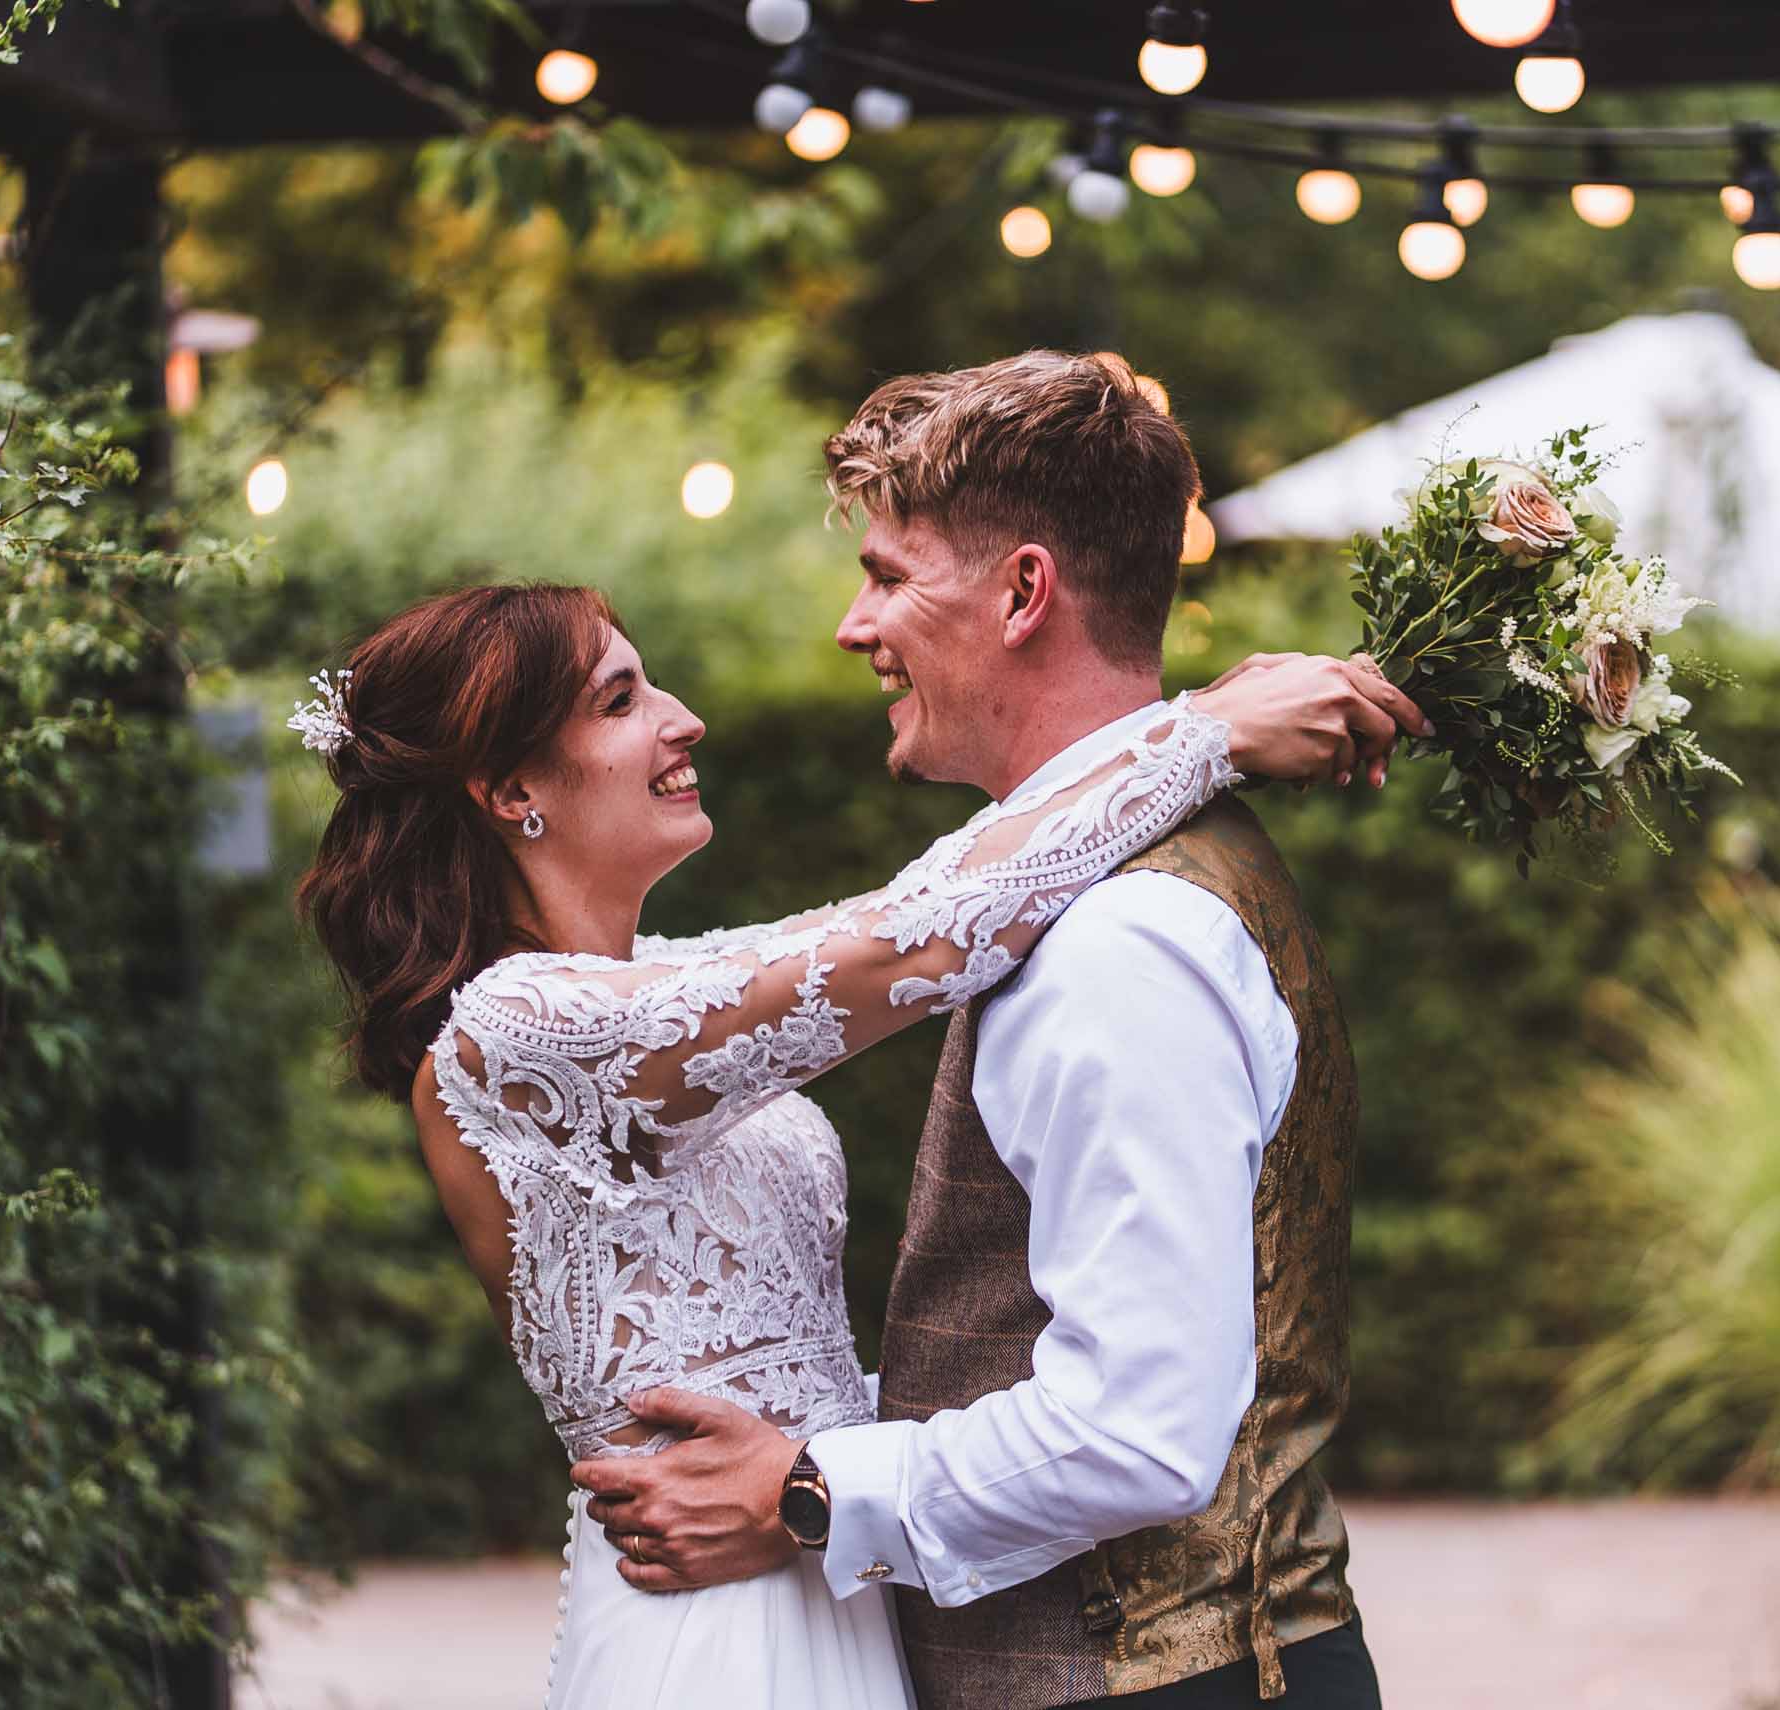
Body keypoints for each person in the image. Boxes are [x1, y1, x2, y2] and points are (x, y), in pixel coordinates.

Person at [292, 554, 1416, 1702]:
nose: (684, 721)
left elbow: (914, 923)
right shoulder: (517, 1029)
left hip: (811, 1551)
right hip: (719, 1626)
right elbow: (923, 932)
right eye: (622, 700)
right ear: (502, 787)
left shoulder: (663, 982)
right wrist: (1204, 734)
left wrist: (824, 1478)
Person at [569, 351, 1415, 1710]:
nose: (856, 626)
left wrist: (803, 1487)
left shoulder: (1122, 942)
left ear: (1025, 592)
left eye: (891, 575)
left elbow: (1138, 1429)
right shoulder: (1107, 891)